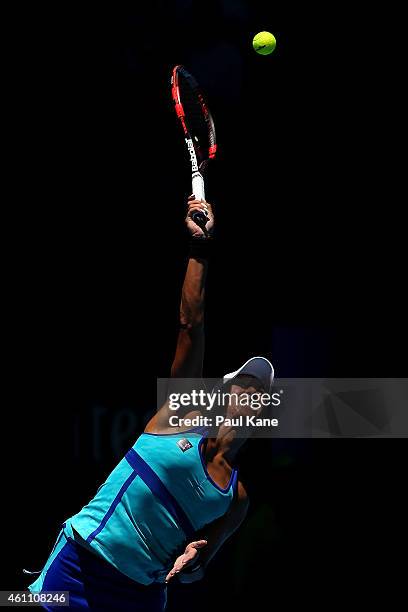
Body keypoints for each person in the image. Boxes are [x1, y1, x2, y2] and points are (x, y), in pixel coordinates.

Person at [27, 196, 274, 611]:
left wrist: (195, 559)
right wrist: (200, 250)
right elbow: (189, 324)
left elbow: (202, 562)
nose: (253, 393)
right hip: (81, 563)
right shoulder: (179, 417)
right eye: (245, 382)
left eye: (263, 393)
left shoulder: (237, 499)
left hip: (140, 596)